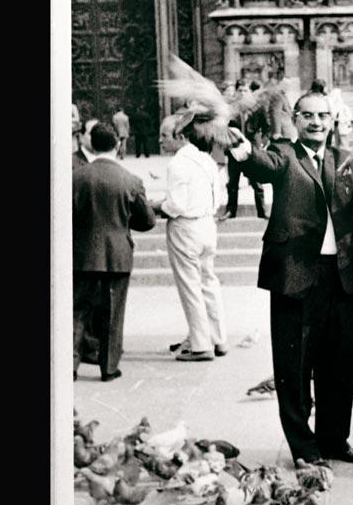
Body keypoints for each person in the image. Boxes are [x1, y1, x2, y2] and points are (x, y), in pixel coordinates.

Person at [224, 91, 353, 466]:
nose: (316, 122)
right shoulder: (284, 155)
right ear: (295, 118)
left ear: (333, 119)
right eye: (308, 115)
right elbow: (261, 165)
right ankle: (304, 448)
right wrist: (242, 149)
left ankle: (335, 439)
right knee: (294, 368)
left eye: (323, 115)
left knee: (340, 363)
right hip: (294, 275)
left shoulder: (343, 160)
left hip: (340, 276)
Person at [73, 122, 157, 382]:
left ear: (90, 144)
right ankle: (108, 367)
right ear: (118, 144)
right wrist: (122, 221)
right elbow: (147, 221)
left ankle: (70, 364)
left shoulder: (75, 177)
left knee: (77, 311)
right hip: (117, 255)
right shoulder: (130, 180)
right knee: (113, 313)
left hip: (82, 254)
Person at [155, 114, 230, 361]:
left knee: (190, 286)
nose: (160, 141)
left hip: (185, 227)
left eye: (165, 136)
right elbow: (221, 199)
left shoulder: (177, 164)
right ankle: (218, 339)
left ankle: (200, 345)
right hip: (208, 225)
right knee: (209, 282)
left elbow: (174, 205)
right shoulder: (206, 160)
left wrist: (155, 205)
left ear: (180, 137)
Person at [224, 84, 267, 220]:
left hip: (252, 150)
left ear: (249, 92)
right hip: (234, 149)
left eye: (245, 90)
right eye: (240, 90)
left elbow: (266, 126)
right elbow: (222, 127)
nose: (242, 93)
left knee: (257, 182)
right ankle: (230, 211)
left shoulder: (257, 108)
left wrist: (262, 142)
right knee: (232, 183)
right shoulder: (230, 109)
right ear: (236, 92)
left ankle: (262, 211)